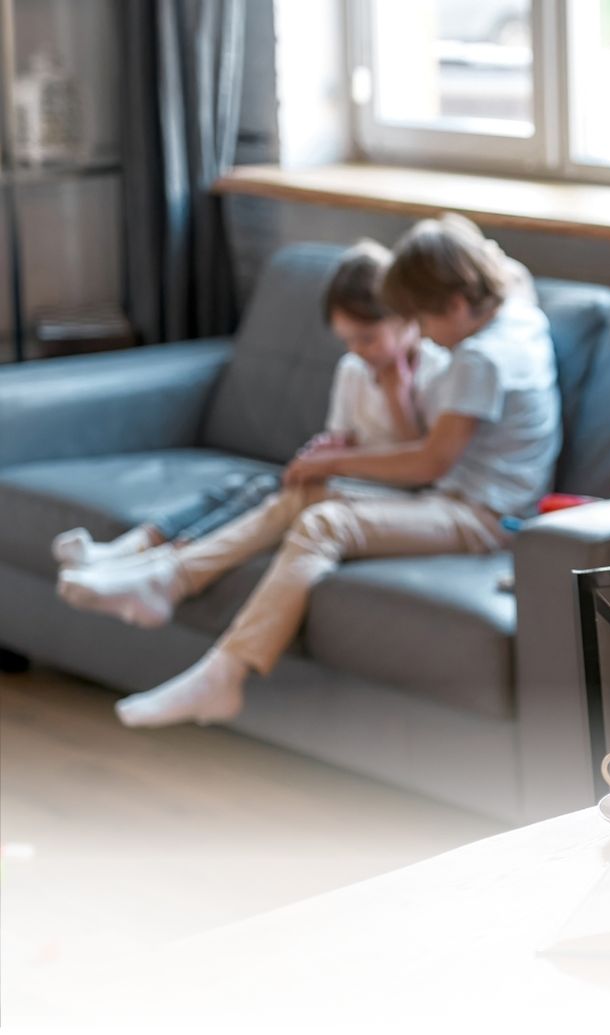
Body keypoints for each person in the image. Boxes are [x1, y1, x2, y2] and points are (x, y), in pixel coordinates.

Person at [103, 214, 560, 727]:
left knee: (325, 522)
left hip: (484, 516)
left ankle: (224, 674)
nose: (425, 337)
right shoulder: (517, 305)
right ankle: (169, 579)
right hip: (461, 499)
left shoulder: (481, 358)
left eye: (424, 322)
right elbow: (495, 259)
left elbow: (431, 460)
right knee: (306, 495)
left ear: (456, 305)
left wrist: (333, 459)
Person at [54, 239, 450, 610]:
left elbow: (423, 465)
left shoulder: (435, 372)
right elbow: (342, 434)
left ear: (407, 321)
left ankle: (165, 561)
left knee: (268, 491)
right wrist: (324, 449)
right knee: (244, 485)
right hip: (349, 478)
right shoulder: (353, 369)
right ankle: (134, 548)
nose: (358, 351)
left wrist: (399, 397)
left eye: (368, 339)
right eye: (347, 341)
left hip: (392, 496)